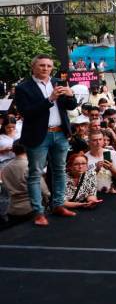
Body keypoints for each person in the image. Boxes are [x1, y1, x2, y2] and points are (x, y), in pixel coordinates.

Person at [13, 54, 78, 226]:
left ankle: (58, 204)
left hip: (60, 133)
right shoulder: (23, 88)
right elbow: (27, 113)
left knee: (60, 170)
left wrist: (71, 95)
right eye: (42, 65)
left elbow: (71, 107)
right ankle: (38, 212)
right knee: (35, 173)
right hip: (38, 135)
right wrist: (50, 100)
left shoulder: (59, 82)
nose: (46, 69)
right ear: (33, 67)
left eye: (49, 66)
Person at [1, 142, 49, 222]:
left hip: (13, 210)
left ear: (13, 150)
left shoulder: (5, 169)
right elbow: (44, 190)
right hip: (31, 210)